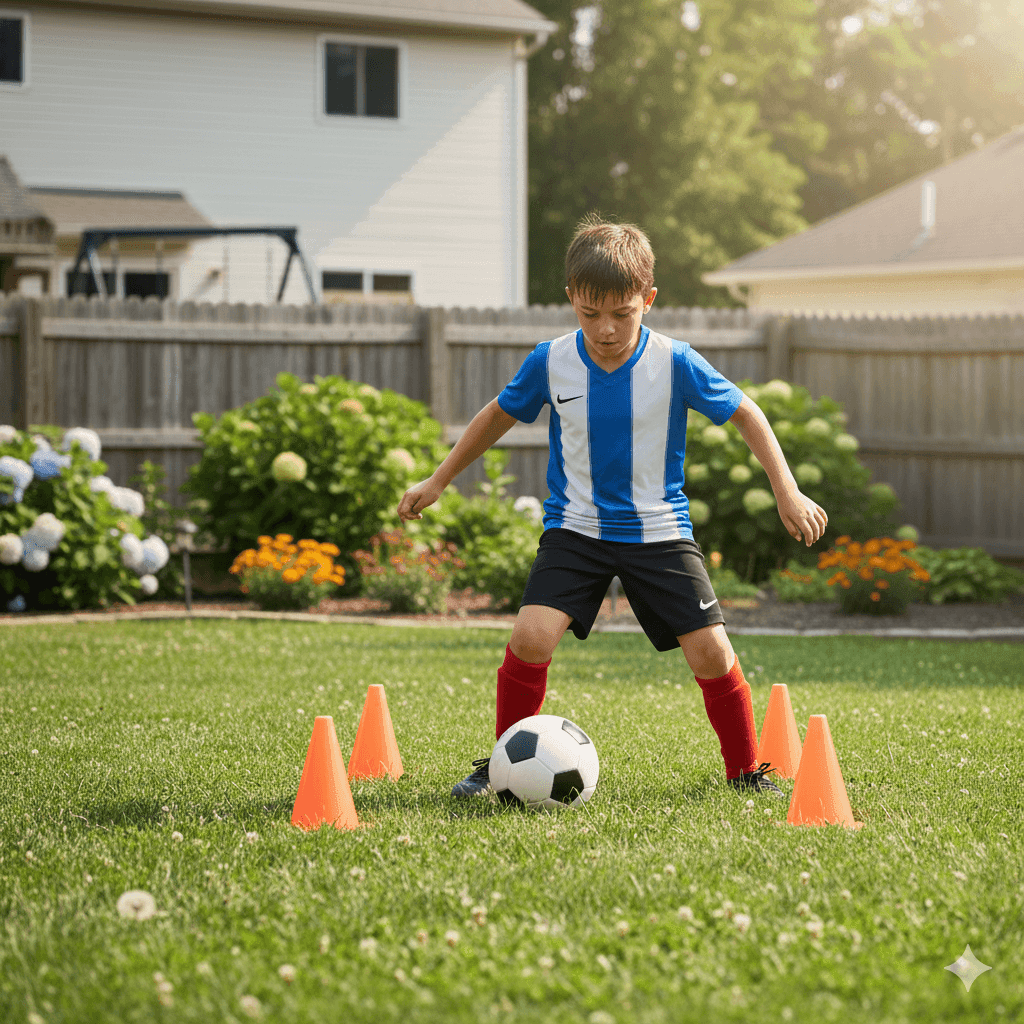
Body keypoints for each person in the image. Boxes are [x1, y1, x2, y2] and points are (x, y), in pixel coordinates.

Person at [397, 216, 827, 799]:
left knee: (712, 649)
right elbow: (497, 415)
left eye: (621, 313)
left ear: (647, 299)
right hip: (574, 529)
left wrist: (787, 489)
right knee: (529, 636)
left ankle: (745, 771)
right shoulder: (550, 361)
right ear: (571, 297)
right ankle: (503, 765)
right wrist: (438, 479)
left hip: (659, 531)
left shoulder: (675, 362)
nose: (605, 329)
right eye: (590, 312)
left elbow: (748, 412)